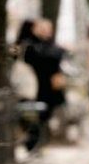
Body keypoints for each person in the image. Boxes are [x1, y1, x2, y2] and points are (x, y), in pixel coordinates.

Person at [22, 19, 67, 149]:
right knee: (35, 117)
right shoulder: (31, 45)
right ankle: (34, 143)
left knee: (45, 116)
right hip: (34, 88)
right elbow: (48, 57)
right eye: (43, 29)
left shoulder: (49, 45)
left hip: (49, 89)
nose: (47, 32)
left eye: (48, 29)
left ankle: (41, 142)